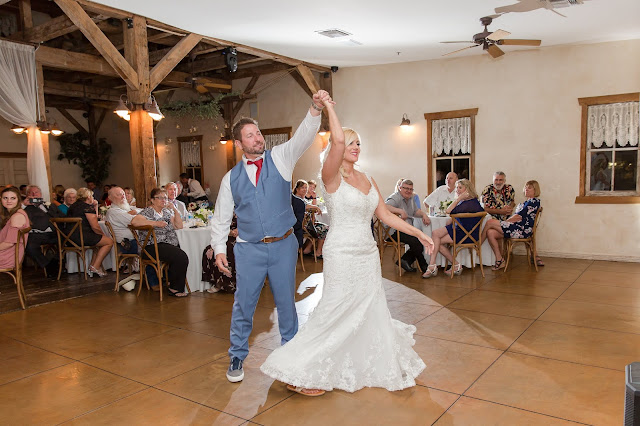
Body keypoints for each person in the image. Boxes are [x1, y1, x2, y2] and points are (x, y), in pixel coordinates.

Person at [260, 99, 433, 396]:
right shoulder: (330, 177)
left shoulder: (368, 178)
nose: (355, 147)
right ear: (337, 149)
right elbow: (337, 139)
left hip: (367, 254)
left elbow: (386, 215)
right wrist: (328, 107)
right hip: (341, 252)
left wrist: (419, 233)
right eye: (351, 143)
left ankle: (357, 362)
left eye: (359, 144)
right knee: (333, 310)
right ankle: (300, 370)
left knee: (368, 309)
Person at [210, 89, 325, 384]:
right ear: (239, 143)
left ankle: (291, 353)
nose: (258, 138)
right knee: (243, 303)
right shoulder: (230, 178)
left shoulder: (281, 158)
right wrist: (219, 250)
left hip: (284, 244)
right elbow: (221, 218)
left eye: (258, 133)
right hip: (249, 250)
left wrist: (314, 109)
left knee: (286, 301)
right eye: (250, 135)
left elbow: (302, 137)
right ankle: (237, 353)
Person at [422, 179, 484, 278]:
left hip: (466, 234)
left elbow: (448, 211)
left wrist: (458, 199)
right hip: (462, 229)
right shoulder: (470, 201)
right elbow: (456, 215)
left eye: (460, 187)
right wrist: (451, 219)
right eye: (457, 187)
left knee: (436, 240)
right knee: (436, 237)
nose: (457, 190)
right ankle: (445, 265)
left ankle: (435, 266)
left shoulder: (467, 203)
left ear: (467, 189)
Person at [106, 186, 161, 290]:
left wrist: (136, 212)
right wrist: (137, 214)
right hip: (127, 244)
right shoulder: (114, 212)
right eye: (119, 195)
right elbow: (137, 221)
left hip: (137, 240)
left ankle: (163, 277)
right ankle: (153, 282)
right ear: (110, 198)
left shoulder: (126, 208)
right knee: (150, 249)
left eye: (123, 194)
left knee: (161, 244)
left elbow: (143, 210)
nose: (123, 196)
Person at [138, 188, 189, 296]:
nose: (163, 200)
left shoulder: (166, 212)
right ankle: (175, 288)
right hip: (153, 246)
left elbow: (179, 226)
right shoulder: (148, 211)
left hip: (168, 244)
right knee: (180, 256)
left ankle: (173, 281)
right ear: (152, 200)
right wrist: (155, 223)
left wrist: (175, 210)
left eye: (165, 198)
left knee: (187, 251)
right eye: (159, 198)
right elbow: (135, 221)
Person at [482, 180, 543, 270]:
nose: (526, 189)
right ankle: (500, 260)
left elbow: (517, 217)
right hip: (515, 228)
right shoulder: (524, 203)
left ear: (535, 190)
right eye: (526, 187)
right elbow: (516, 217)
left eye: (529, 188)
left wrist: (505, 222)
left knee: (489, 222)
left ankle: (479, 243)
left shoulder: (534, 202)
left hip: (521, 230)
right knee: (490, 232)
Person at [384, 178, 431, 272]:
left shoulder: (411, 198)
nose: (408, 191)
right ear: (400, 188)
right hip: (393, 231)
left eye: (410, 189)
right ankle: (424, 266)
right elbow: (385, 207)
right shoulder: (395, 197)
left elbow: (415, 211)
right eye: (406, 188)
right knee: (416, 241)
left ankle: (405, 260)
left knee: (419, 239)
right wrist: (400, 211)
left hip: (405, 229)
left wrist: (424, 214)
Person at [67, 187, 113, 277]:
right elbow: (95, 226)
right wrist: (103, 235)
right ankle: (95, 266)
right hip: (81, 237)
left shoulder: (72, 206)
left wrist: (95, 206)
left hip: (69, 237)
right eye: (92, 196)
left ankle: (93, 266)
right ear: (88, 197)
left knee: (99, 242)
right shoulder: (87, 207)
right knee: (109, 242)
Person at [22, 185, 62, 278]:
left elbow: (62, 216)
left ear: (40, 194)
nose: (34, 194)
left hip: (54, 233)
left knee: (71, 239)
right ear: (27, 195)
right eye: (31, 193)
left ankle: (56, 261)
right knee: (29, 246)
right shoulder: (26, 208)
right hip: (37, 234)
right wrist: (24, 205)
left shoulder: (50, 204)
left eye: (36, 192)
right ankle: (48, 265)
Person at [202, 215, 238, 294]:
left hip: (244, 239)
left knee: (228, 249)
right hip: (227, 237)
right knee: (209, 250)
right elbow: (220, 227)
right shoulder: (227, 210)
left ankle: (231, 283)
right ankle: (217, 282)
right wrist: (229, 232)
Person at [0, 186, 29, 269]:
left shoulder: (17, 216)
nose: (9, 201)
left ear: (18, 200)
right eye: (5, 198)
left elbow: (9, 243)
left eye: (13, 198)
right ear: (1, 199)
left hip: (7, 257)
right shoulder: (15, 213)